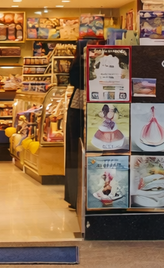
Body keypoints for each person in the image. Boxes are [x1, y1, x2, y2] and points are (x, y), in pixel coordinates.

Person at [63, 39, 90, 208]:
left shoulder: (77, 62)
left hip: (77, 110)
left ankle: (75, 197)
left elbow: (73, 81)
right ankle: (78, 197)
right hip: (82, 110)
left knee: (76, 152)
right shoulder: (83, 61)